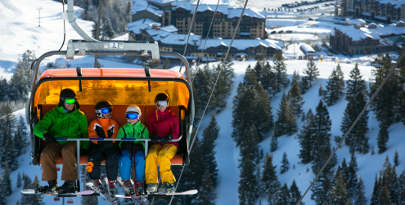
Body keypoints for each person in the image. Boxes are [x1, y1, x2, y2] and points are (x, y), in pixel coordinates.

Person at [33, 88, 89, 194]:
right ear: (62, 101)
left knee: (67, 150)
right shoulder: (53, 114)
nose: (71, 104)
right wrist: (45, 134)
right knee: (46, 153)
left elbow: (85, 133)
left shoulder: (80, 116)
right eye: (69, 101)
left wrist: (85, 148)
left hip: (72, 142)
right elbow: (37, 128)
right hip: (56, 141)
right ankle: (52, 184)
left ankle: (70, 183)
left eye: (73, 101)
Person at [145, 93, 179, 194]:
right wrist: (152, 136)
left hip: (171, 144)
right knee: (151, 155)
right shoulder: (151, 118)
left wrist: (170, 137)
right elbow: (149, 132)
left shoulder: (173, 118)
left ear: (168, 104)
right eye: (160, 103)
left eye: (165, 103)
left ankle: (168, 183)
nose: (162, 106)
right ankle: (151, 183)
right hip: (158, 144)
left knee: (163, 156)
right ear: (156, 104)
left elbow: (176, 134)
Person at [86, 101, 119, 194]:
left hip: (110, 146)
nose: (108, 113)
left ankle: (111, 180)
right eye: (105, 111)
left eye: (109, 110)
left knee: (112, 156)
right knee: (93, 157)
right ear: (99, 112)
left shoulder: (113, 123)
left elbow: (116, 133)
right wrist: (99, 142)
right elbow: (91, 134)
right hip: (97, 146)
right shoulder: (94, 123)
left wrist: (111, 142)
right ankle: (95, 179)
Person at [117, 105, 149, 195]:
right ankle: (126, 179)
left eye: (134, 117)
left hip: (138, 148)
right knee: (125, 158)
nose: (131, 119)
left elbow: (146, 140)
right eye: (128, 116)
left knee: (140, 158)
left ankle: (139, 180)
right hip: (126, 149)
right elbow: (118, 140)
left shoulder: (143, 129)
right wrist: (123, 144)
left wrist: (140, 145)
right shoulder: (123, 128)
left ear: (139, 117)